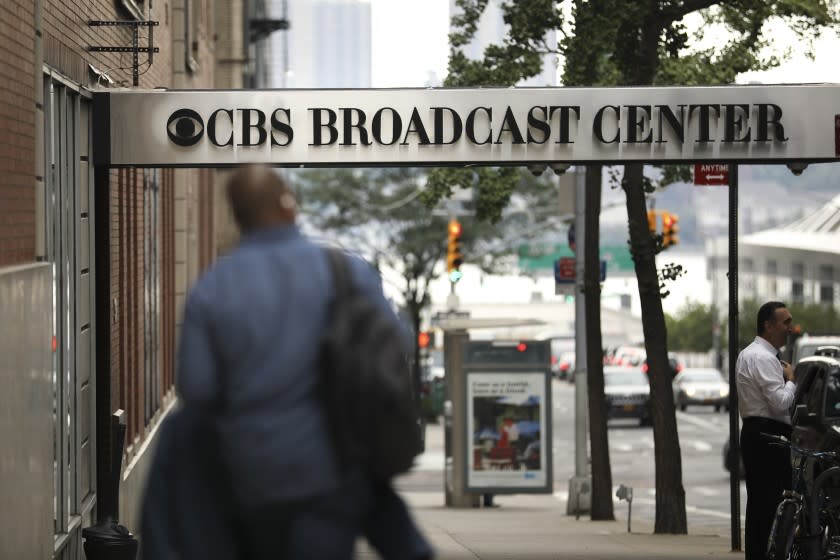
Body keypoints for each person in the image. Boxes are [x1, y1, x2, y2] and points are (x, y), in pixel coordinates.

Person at [151, 163, 431, 560]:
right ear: (288, 204)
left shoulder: (212, 289)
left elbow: (197, 388)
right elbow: (395, 343)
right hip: (332, 473)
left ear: (238, 215)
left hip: (246, 476)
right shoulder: (345, 272)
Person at [736, 301, 796, 560]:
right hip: (768, 436)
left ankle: (758, 553)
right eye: (785, 323)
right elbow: (780, 402)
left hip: (755, 433)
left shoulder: (750, 354)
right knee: (772, 503)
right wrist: (792, 380)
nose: (790, 328)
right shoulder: (763, 358)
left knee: (759, 503)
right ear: (768, 326)